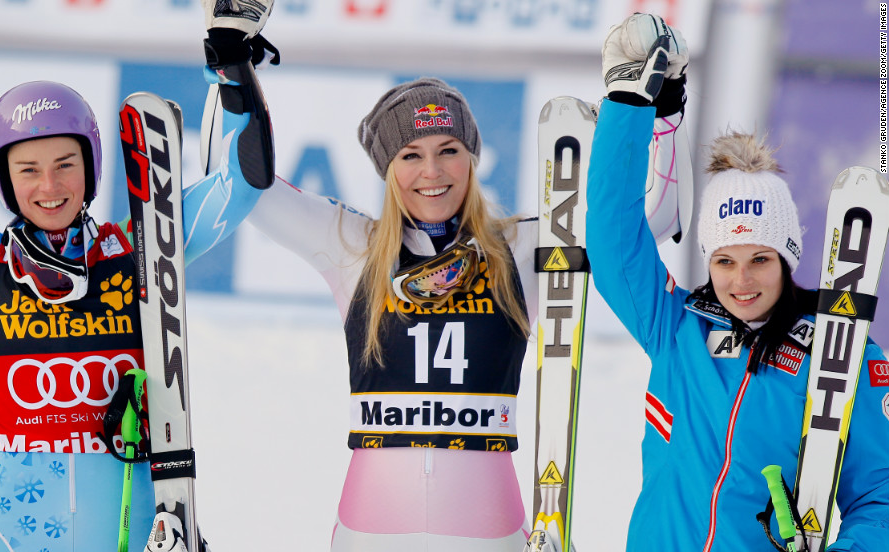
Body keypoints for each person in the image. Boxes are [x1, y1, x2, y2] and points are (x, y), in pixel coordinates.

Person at [204, 60, 687, 545]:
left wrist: (663, 109)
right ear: (388, 169)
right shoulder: (354, 247)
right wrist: (231, 69)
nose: (432, 172)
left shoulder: (521, 249)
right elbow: (252, 192)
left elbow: (644, 223)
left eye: (448, 150)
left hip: (488, 532)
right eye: (410, 155)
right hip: (372, 532)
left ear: (472, 158)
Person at [0, 3, 274, 550]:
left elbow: (242, 184)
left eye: (65, 164)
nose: (49, 185)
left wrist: (231, 71)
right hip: (10, 537)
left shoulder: (142, 245)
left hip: (139, 529)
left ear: (92, 166)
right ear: (5, 180)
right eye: (27, 169)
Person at [586, 13, 889, 551]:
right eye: (723, 261)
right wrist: (631, 106)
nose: (741, 280)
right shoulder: (676, 330)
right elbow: (614, 241)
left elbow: (880, 493)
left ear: (787, 259)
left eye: (760, 259)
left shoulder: (841, 353)